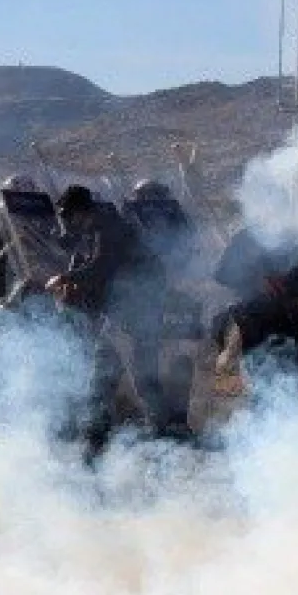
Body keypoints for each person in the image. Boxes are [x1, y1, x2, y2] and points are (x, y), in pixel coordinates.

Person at [47, 185, 167, 452]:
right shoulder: (97, 228)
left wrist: (67, 279)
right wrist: (74, 284)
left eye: (67, 215)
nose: (66, 222)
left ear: (79, 212)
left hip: (134, 307)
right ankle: (162, 431)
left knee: (106, 369)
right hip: (136, 306)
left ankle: (96, 438)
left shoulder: (106, 226)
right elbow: (93, 268)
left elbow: (102, 267)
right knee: (138, 370)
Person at [123, 179, 201, 435]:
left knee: (144, 360)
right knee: (179, 356)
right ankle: (178, 418)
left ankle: (159, 419)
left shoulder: (133, 215)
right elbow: (193, 251)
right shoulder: (176, 213)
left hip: (146, 300)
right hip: (179, 297)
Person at [212, 223, 298, 387]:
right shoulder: (245, 238)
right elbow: (222, 274)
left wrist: (286, 287)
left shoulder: (297, 239)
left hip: (289, 323)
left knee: (293, 384)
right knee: (261, 387)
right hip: (254, 325)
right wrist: (255, 281)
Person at [0, 174, 42, 310]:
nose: (25, 201)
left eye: (29, 197)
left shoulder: (39, 213)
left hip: (36, 267)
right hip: (7, 269)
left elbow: (51, 236)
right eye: (20, 196)